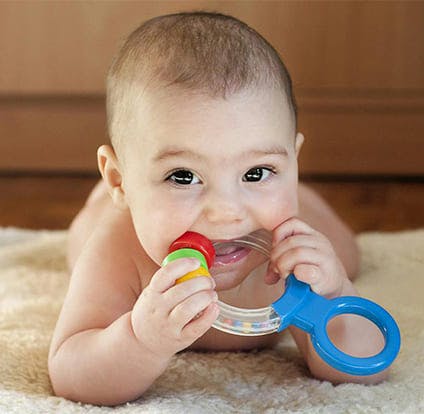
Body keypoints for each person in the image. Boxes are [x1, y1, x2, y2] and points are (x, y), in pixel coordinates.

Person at [48, 11, 386, 406]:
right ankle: (108, 195)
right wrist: (140, 340)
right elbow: (72, 376)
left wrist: (336, 293)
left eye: (258, 171)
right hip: (112, 220)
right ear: (120, 181)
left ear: (293, 162)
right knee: (84, 233)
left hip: (287, 215)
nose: (226, 212)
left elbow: (364, 367)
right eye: (183, 176)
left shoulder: (288, 255)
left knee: (344, 253)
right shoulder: (119, 252)